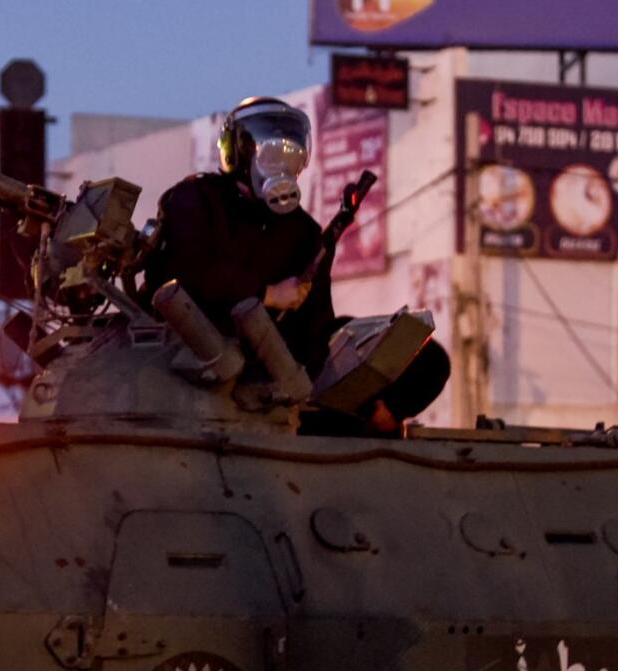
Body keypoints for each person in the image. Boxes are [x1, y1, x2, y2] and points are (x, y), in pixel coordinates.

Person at [144, 96, 447, 436]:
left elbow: (317, 325)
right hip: (198, 348)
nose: (279, 161)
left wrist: (350, 388)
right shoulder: (195, 199)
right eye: (266, 149)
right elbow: (181, 270)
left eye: (290, 151)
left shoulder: (304, 233)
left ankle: (376, 417)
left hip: (276, 365)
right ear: (236, 151)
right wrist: (266, 293)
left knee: (427, 359)